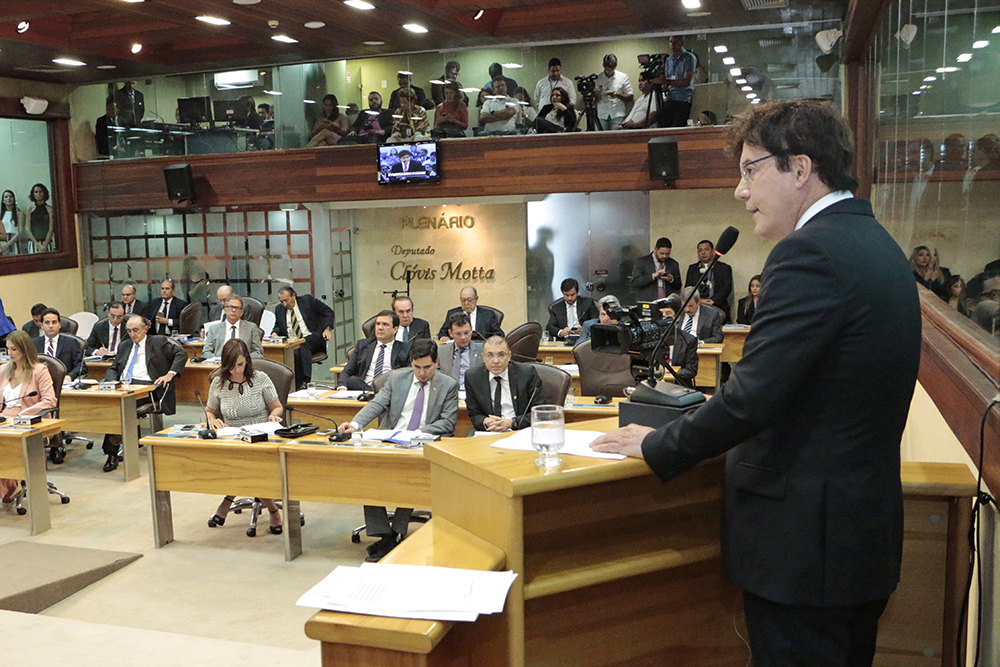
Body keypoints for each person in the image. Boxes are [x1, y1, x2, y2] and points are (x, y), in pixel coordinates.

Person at [592, 99, 922, 667]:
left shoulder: (809, 253)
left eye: (750, 170)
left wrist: (658, 444)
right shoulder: (876, 244)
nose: (739, 191)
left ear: (799, 168)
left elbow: (752, 398)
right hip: (853, 540)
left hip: (805, 554)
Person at [337, 339, 459, 561]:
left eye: (427, 367)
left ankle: (395, 534)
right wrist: (354, 424)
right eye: (417, 367)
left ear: (436, 363)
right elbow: (377, 404)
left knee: (411, 478)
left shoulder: (448, 384)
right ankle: (385, 534)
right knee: (369, 475)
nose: (422, 373)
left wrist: (418, 432)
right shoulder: (396, 378)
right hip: (390, 440)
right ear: (411, 363)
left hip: (422, 443)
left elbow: (447, 422)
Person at [204, 339, 285, 534]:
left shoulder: (260, 378)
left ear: (246, 361)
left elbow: (277, 407)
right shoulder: (218, 382)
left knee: (251, 465)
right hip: (232, 437)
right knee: (242, 464)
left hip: (260, 436)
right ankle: (270, 508)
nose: (236, 370)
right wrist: (212, 420)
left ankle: (268, 509)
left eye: (240, 365)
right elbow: (210, 410)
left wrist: (275, 416)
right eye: (231, 366)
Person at [102, 315, 187, 472]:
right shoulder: (125, 345)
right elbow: (114, 367)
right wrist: (110, 382)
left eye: (136, 330)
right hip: (124, 385)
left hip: (148, 387)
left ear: (146, 328)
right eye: (129, 331)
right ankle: (116, 442)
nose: (133, 334)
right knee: (108, 404)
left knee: (119, 408)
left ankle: (111, 453)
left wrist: (170, 374)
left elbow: (181, 355)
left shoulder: (158, 342)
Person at [0, 331, 57, 508]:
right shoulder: (3, 370)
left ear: (24, 349)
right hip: (4, 420)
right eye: (7, 349)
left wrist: (23, 414)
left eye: (14, 349)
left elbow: (49, 400)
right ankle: (10, 486)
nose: (10, 353)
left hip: (27, 420)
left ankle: (10, 486)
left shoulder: (39, 370)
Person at [464, 335, 543, 432]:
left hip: (519, 431)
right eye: (490, 355)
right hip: (488, 432)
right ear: (483, 357)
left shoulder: (527, 374)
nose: (496, 361)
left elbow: (539, 412)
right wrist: (486, 421)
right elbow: (474, 414)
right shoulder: (473, 377)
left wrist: (511, 423)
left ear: (509, 356)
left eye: (501, 355)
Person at [272, 286, 334, 388]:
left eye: (286, 300)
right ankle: (295, 385)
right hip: (292, 342)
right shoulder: (279, 309)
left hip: (313, 338)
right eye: (281, 301)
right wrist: (275, 333)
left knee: (302, 343)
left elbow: (328, 312)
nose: (284, 304)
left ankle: (306, 380)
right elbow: (278, 326)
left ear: (293, 295)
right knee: (294, 353)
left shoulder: (307, 301)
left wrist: (327, 328)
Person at [340, 310, 410, 391]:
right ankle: (372, 393)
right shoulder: (362, 345)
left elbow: (407, 376)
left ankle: (375, 395)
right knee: (352, 380)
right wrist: (342, 388)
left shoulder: (406, 349)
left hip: (389, 389)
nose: (380, 328)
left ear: (395, 329)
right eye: (378, 324)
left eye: (385, 324)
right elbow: (347, 371)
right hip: (364, 387)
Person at [685, 238, 734, 322]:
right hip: (698, 308)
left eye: (706, 249)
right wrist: (699, 300)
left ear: (713, 251)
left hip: (719, 307)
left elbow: (727, 287)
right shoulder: (693, 269)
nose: (703, 252)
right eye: (700, 250)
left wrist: (713, 300)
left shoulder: (724, 268)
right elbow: (688, 288)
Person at [653, 35, 696, 127]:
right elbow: (667, 80)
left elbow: (686, 81)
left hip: (683, 99)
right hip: (670, 97)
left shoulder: (689, 58)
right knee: (664, 125)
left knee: (677, 127)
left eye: (675, 42)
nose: (672, 45)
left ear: (682, 43)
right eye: (670, 42)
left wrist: (667, 82)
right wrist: (662, 84)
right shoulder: (668, 60)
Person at [33, 307, 86, 380]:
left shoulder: (71, 343)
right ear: (42, 325)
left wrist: (70, 376)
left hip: (64, 383)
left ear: (59, 325)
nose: (51, 326)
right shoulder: (33, 344)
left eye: (54, 322)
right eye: (47, 323)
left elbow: (81, 366)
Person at [656, 295, 698, 385]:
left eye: (668, 314)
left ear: (677, 317)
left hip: (678, 384)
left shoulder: (689, 340)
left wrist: (671, 375)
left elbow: (691, 370)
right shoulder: (650, 339)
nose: (664, 317)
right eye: (660, 314)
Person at [437, 313, 484, 392]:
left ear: (471, 330)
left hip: (474, 393)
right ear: (450, 333)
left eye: (466, 333)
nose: (463, 337)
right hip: (449, 394)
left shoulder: (483, 350)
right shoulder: (441, 351)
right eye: (458, 334)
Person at [437, 286, 504, 340]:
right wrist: (444, 337)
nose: (466, 303)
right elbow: (442, 332)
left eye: (469, 300)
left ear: (476, 299)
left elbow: (499, 334)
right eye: (463, 300)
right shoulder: (452, 313)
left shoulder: (488, 315)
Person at [631, 237, 681, 301]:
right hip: (648, 302)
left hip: (667, 303)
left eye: (667, 254)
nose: (664, 256)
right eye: (662, 253)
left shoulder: (673, 264)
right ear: (655, 249)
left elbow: (678, 286)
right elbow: (635, 282)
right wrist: (653, 276)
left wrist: (671, 279)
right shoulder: (642, 262)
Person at [595, 54, 633, 131]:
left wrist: (618, 95)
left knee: (616, 137)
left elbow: (630, 96)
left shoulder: (623, 77)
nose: (610, 72)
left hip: (617, 113)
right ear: (603, 66)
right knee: (599, 138)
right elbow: (593, 98)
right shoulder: (597, 78)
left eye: (612, 69)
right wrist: (597, 91)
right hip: (602, 113)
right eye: (608, 69)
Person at [26, 183, 54, 253]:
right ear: (33, 194)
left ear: (44, 193)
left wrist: (45, 245)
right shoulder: (30, 209)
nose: (38, 194)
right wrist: (36, 244)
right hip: (33, 243)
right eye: (36, 192)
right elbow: (27, 229)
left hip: (47, 243)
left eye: (40, 191)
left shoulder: (50, 209)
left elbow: (51, 228)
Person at [1, 189, 24, 256]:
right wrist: (3, 245)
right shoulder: (1, 215)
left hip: (14, 242)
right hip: (2, 242)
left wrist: (8, 244)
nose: (8, 198)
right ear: (3, 201)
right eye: (6, 197)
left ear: (14, 199)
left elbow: (19, 232)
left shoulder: (19, 213)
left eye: (10, 196)